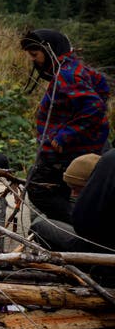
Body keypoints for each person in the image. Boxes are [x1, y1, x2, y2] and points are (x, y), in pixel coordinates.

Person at [20, 29, 111, 222]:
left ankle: (79, 226)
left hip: (65, 150)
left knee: (39, 189)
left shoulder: (66, 75)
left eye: (35, 55)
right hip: (82, 147)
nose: (33, 61)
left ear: (50, 51)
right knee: (64, 189)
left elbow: (95, 106)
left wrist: (65, 134)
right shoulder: (77, 69)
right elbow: (102, 86)